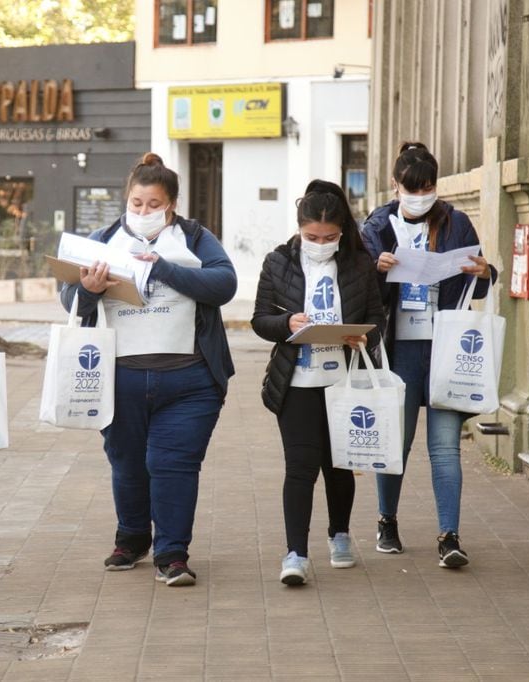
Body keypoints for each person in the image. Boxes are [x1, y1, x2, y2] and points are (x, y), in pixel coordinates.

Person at [61, 152, 236, 587]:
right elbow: (69, 298)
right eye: (137, 204)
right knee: (127, 462)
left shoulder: (194, 238)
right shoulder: (104, 239)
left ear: (171, 205)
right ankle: (132, 537)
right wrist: (88, 289)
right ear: (127, 200)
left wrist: (166, 269)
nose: (143, 212)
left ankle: (173, 553)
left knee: (172, 462)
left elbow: (224, 284)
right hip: (120, 380)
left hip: (191, 380)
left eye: (153, 205)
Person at [361, 142, 497, 568]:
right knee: (395, 443)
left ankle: (449, 536)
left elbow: (483, 279)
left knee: (444, 446)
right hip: (399, 349)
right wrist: (375, 270)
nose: (421, 195)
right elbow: (358, 287)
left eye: (428, 187)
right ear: (395, 184)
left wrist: (484, 271)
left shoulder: (456, 222)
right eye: (412, 187)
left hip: (447, 348)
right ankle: (387, 521)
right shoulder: (377, 226)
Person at [251, 180, 385, 586]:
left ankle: (340, 534)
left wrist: (365, 335)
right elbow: (260, 320)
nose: (321, 243)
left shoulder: (360, 264)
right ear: (299, 229)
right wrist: (286, 323)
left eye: (330, 237)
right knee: (300, 467)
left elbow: (378, 318)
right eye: (312, 237)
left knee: (340, 464)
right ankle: (296, 554)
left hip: (344, 381)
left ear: (342, 232)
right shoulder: (278, 263)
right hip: (296, 381)